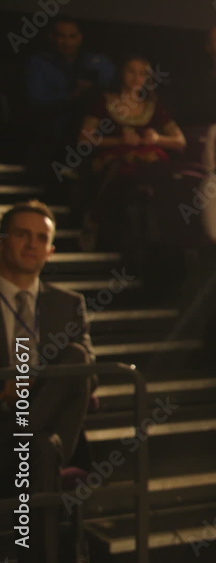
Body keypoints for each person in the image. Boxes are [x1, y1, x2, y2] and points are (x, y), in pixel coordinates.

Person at [0, 201, 96, 562]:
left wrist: (35, 386)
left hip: (51, 418)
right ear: (2, 241)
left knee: (77, 357)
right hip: (20, 426)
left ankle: (15, 442)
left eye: (42, 238)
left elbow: (89, 378)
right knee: (39, 450)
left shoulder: (68, 304)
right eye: (23, 234)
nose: (32, 244)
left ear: (51, 250)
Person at [78, 54, 185, 251]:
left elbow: (180, 141)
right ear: (121, 74)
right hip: (113, 160)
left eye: (142, 74)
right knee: (122, 168)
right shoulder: (105, 101)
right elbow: (85, 139)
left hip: (149, 164)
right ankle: (96, 220)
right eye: (131, 71)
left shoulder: (154, 107)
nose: (136, 78)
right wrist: (119, 141)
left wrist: (157, 139)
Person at [25, 17, 114, 183]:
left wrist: (91, 89)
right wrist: (72, 96)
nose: (67, 42)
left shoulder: (96, 61)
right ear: (52, 37)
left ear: (80, 38)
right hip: (53, 125)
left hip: (94, 126)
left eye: (72, 36)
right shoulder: (39, 63)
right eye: (61, 36)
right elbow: (36, 101)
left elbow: (112, 86)